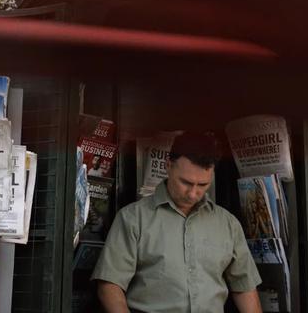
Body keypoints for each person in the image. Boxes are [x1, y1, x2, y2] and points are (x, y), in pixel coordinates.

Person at [92, 130, 263, 313]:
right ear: (168, 166)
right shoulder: (133, 218)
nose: (192, 193)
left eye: (202, 185)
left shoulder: (228, 224)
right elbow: (109, 285)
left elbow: (244, 287)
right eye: (186, 182)